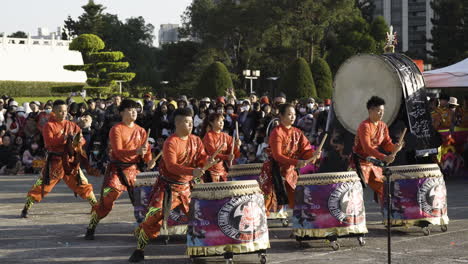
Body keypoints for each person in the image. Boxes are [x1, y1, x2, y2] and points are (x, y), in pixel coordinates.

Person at [129, 108, 215, 262]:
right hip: (167, 187)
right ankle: (139, 250)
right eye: (187, 122)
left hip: (187, 187)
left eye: (191, 123)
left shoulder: (196, 140)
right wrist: (192, 171)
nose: (190, 126)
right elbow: (171, 167)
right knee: (152, 219)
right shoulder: (171, 142)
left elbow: (201, 159)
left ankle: (198, 251)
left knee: (196, 218)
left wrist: (207, 163)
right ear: (178, 123)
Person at [85, 99, 154, 240]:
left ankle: (144, 230)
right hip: (117, 171)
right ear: (121, 112)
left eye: (135, 109)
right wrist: (137, 151)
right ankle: (92, 225)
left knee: (143, 202)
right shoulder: (116, 129)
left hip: (134, 171)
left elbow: (147, 155)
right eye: (130, 109)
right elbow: (118, 151)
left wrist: (150, 161)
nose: (134, 111)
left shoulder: (141, 131)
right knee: (107, 201)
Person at [20, 100, 97, 218]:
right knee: (42, 185)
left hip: (70, 162)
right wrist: (65, 138)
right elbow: (49, 143)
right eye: (60, 111)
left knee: (82, 183)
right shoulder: (48, 126)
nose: (63, 113)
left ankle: (96, 206)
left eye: (65, 111)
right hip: (54, 162)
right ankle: (26, 207)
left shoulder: (72, 125)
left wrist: (77, 141)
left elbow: (82, 140)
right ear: (54, 112)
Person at [257, 104, 321, 215]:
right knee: (268, 201)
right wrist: (297, 162)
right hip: (274, 170)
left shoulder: (298, 133)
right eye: (289, 114)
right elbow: (277, 156)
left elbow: (306, 151)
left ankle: (294, 226)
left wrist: (313, 155)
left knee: (295, 200)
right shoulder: (276, 133)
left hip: (290, 170)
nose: (293, 117)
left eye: (294, 114)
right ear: (281, 116)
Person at [352, 96, 403, 203]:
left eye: (383, 111)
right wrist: (384, 157)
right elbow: (367, 147)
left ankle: (386, 214)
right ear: (370, 110)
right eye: (379, 111)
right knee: (355, 191)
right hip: (360, 162)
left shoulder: (383, 126)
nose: (381, 113)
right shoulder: (365, 126)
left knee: (383, 188)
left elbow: (386, 143)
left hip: (373, 162)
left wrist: (395, 147)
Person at [201, 113, 241, 182]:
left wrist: (237, 146)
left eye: (222, 121)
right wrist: (227, 157)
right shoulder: (208, 136)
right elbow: (212, 153)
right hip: (209, 169)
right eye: (219, 121)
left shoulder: (225, 136)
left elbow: (233, 153)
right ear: (211, 123)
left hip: (222, 170)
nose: (221, 123)